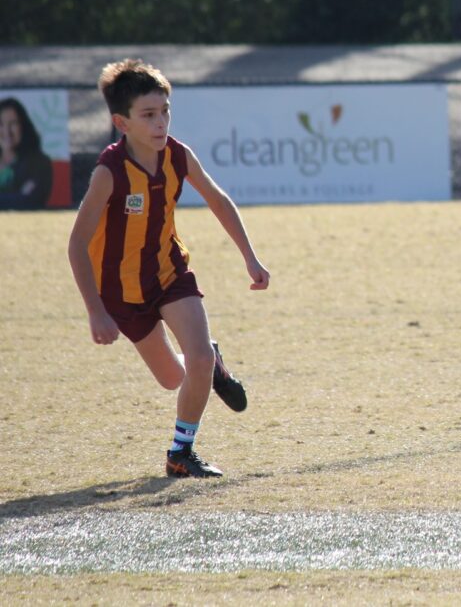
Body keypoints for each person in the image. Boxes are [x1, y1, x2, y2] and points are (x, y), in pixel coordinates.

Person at [67, 59, 270, 478]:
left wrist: (250, 257)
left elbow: (218, 200)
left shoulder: (178, 154)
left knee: (197, 358)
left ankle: (181, 453)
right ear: (121, 123)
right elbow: (77, 245)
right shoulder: (110, 172)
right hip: (121, 292)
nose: (160, 123)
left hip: (170, 273)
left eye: (165, 111)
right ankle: (211, 363)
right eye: (148, 115)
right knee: (174, 377)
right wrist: (95, 311)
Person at [0, 96, 54, 209]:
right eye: (1, 124)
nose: (7, 131)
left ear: (23, 126)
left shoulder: (39, 163)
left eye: (13, 123)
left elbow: (29, 200)